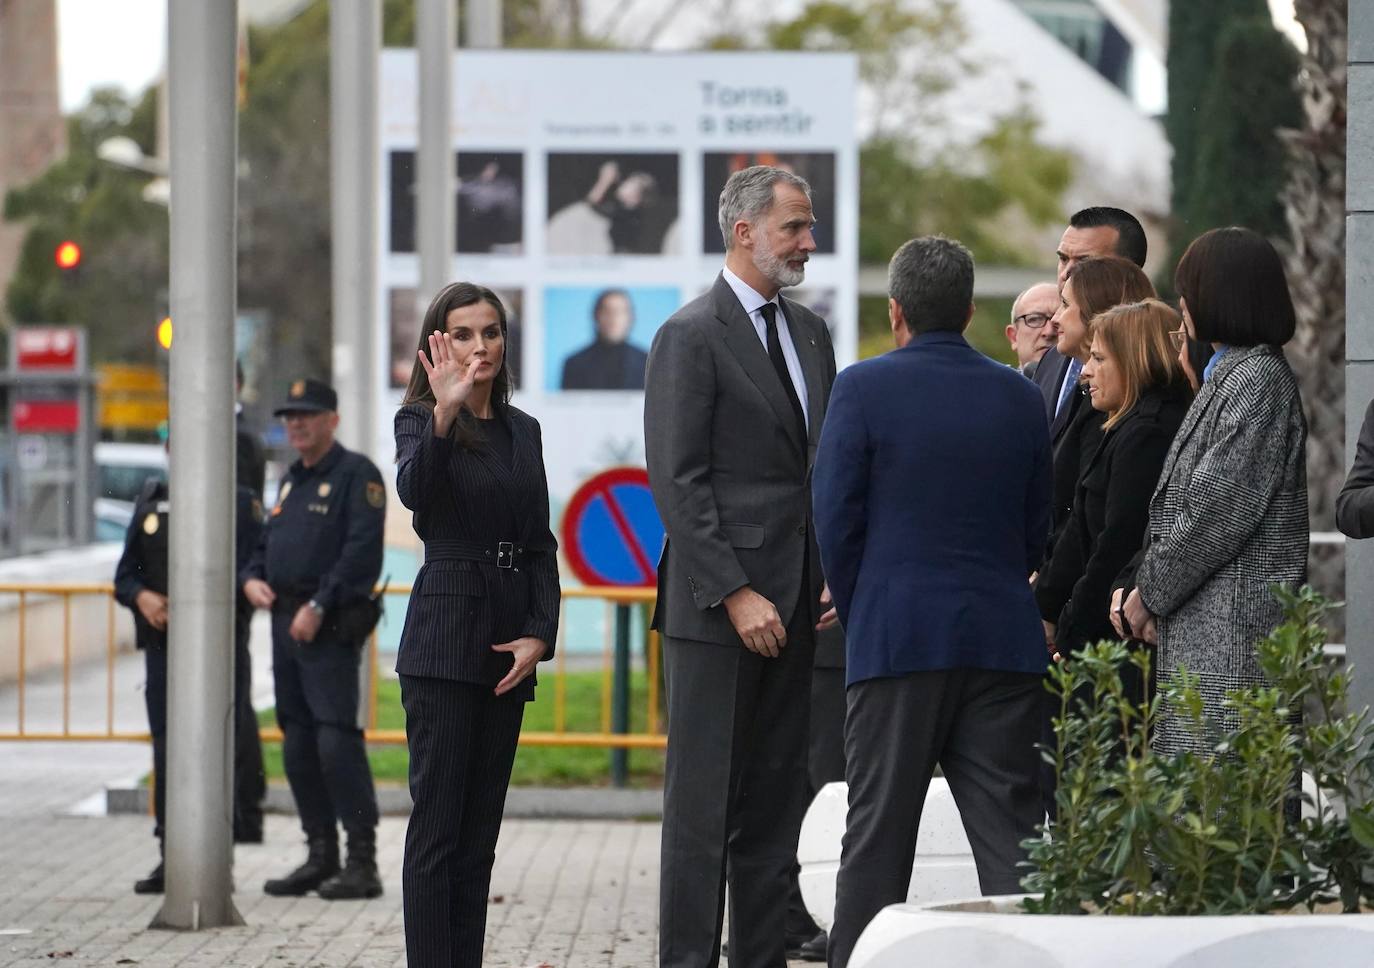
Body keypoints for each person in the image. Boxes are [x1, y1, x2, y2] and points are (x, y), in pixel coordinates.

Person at [813, 236, 1051, 968]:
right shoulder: (1020, 394)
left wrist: (867, 611)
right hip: (1003, 641)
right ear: (972, 311)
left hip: (897, 641)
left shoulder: (861, 388)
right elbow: (1036, 523)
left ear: (895, 312)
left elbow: (834, 517)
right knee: (1014, 838)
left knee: (877, 835)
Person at [644, 164, 836, 968]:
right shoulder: (690, 335)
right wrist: (735, 592)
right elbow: (677, 481)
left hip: (799, 610)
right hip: (719, 614)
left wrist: (830, 573)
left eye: (809, 224)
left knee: (772, 808)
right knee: (701, 813)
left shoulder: (813, 334)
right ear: (744, 230)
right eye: (794, 225)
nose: (808, 241)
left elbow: (819, 466)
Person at [393, 282, 560, 968]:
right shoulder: (419, 420)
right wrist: (443, 415)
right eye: (463, 333)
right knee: (437, 833)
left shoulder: (525, 431)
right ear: (438, 342)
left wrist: (540, 634)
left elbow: (540, 544)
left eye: (490, 332)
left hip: (505, 643)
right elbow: (415, 498)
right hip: (441, 642)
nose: (480, 345)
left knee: (478, 838)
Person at [1115, 227, 1308, 755]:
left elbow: (1213, 513)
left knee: (1223, 824)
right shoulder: (1230, 375)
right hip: (1209, 639)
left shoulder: (1256, 380)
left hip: (1232, 647)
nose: (1182, 305)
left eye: (1190, 289)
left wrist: (1147, 595)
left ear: (1222, 295)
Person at [242, 378, 386, 899]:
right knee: (298, 743)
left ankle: (361, 861)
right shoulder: (291, 478)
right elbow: (267, 542)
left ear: (333, 419)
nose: (295, 424)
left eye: (307, 414)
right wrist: (251, 577)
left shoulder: (356, 476)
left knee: (335, 743)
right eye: (289, 416)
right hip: (285, 622)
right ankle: (320, 855)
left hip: (328, 625)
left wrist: (320, 605)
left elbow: (362, 554)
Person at [114, 465, 265, 893]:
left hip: (219, 647)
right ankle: (171, 855)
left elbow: (252, 567)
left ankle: (218, 855)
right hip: (164, 649)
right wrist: (142, 597)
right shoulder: (152, 499)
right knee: (167, 748)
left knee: (218, 743)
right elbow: (124, 575)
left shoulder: (238, 501)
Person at [1037, 299, 1190, 668]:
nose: (1085, 372)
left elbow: (1115, 543)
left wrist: (1070, 628)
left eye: (1099, 359)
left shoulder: (1146, 434)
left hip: (1116, 649)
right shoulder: (1126, 426)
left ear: (1135, 361)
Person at [1034, 207, 1149, 442]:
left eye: (1085, 262)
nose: (1067, 273)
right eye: (1063, 259)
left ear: (1125, 271)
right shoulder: (1053, 358)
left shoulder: (1145, 364)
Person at [559, 289, 649, 390]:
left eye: (620, 312)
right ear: (596, 316)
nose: (613, 318)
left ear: (630, 318)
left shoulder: (648, 362)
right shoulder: (574, 364)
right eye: (607, 311)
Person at [1006, 281, 1059, 375]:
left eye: (1058, 320)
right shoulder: (994, 387)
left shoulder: (1090, 386)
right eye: (1034, 319)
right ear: (1013, 337)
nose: (1049, 332)